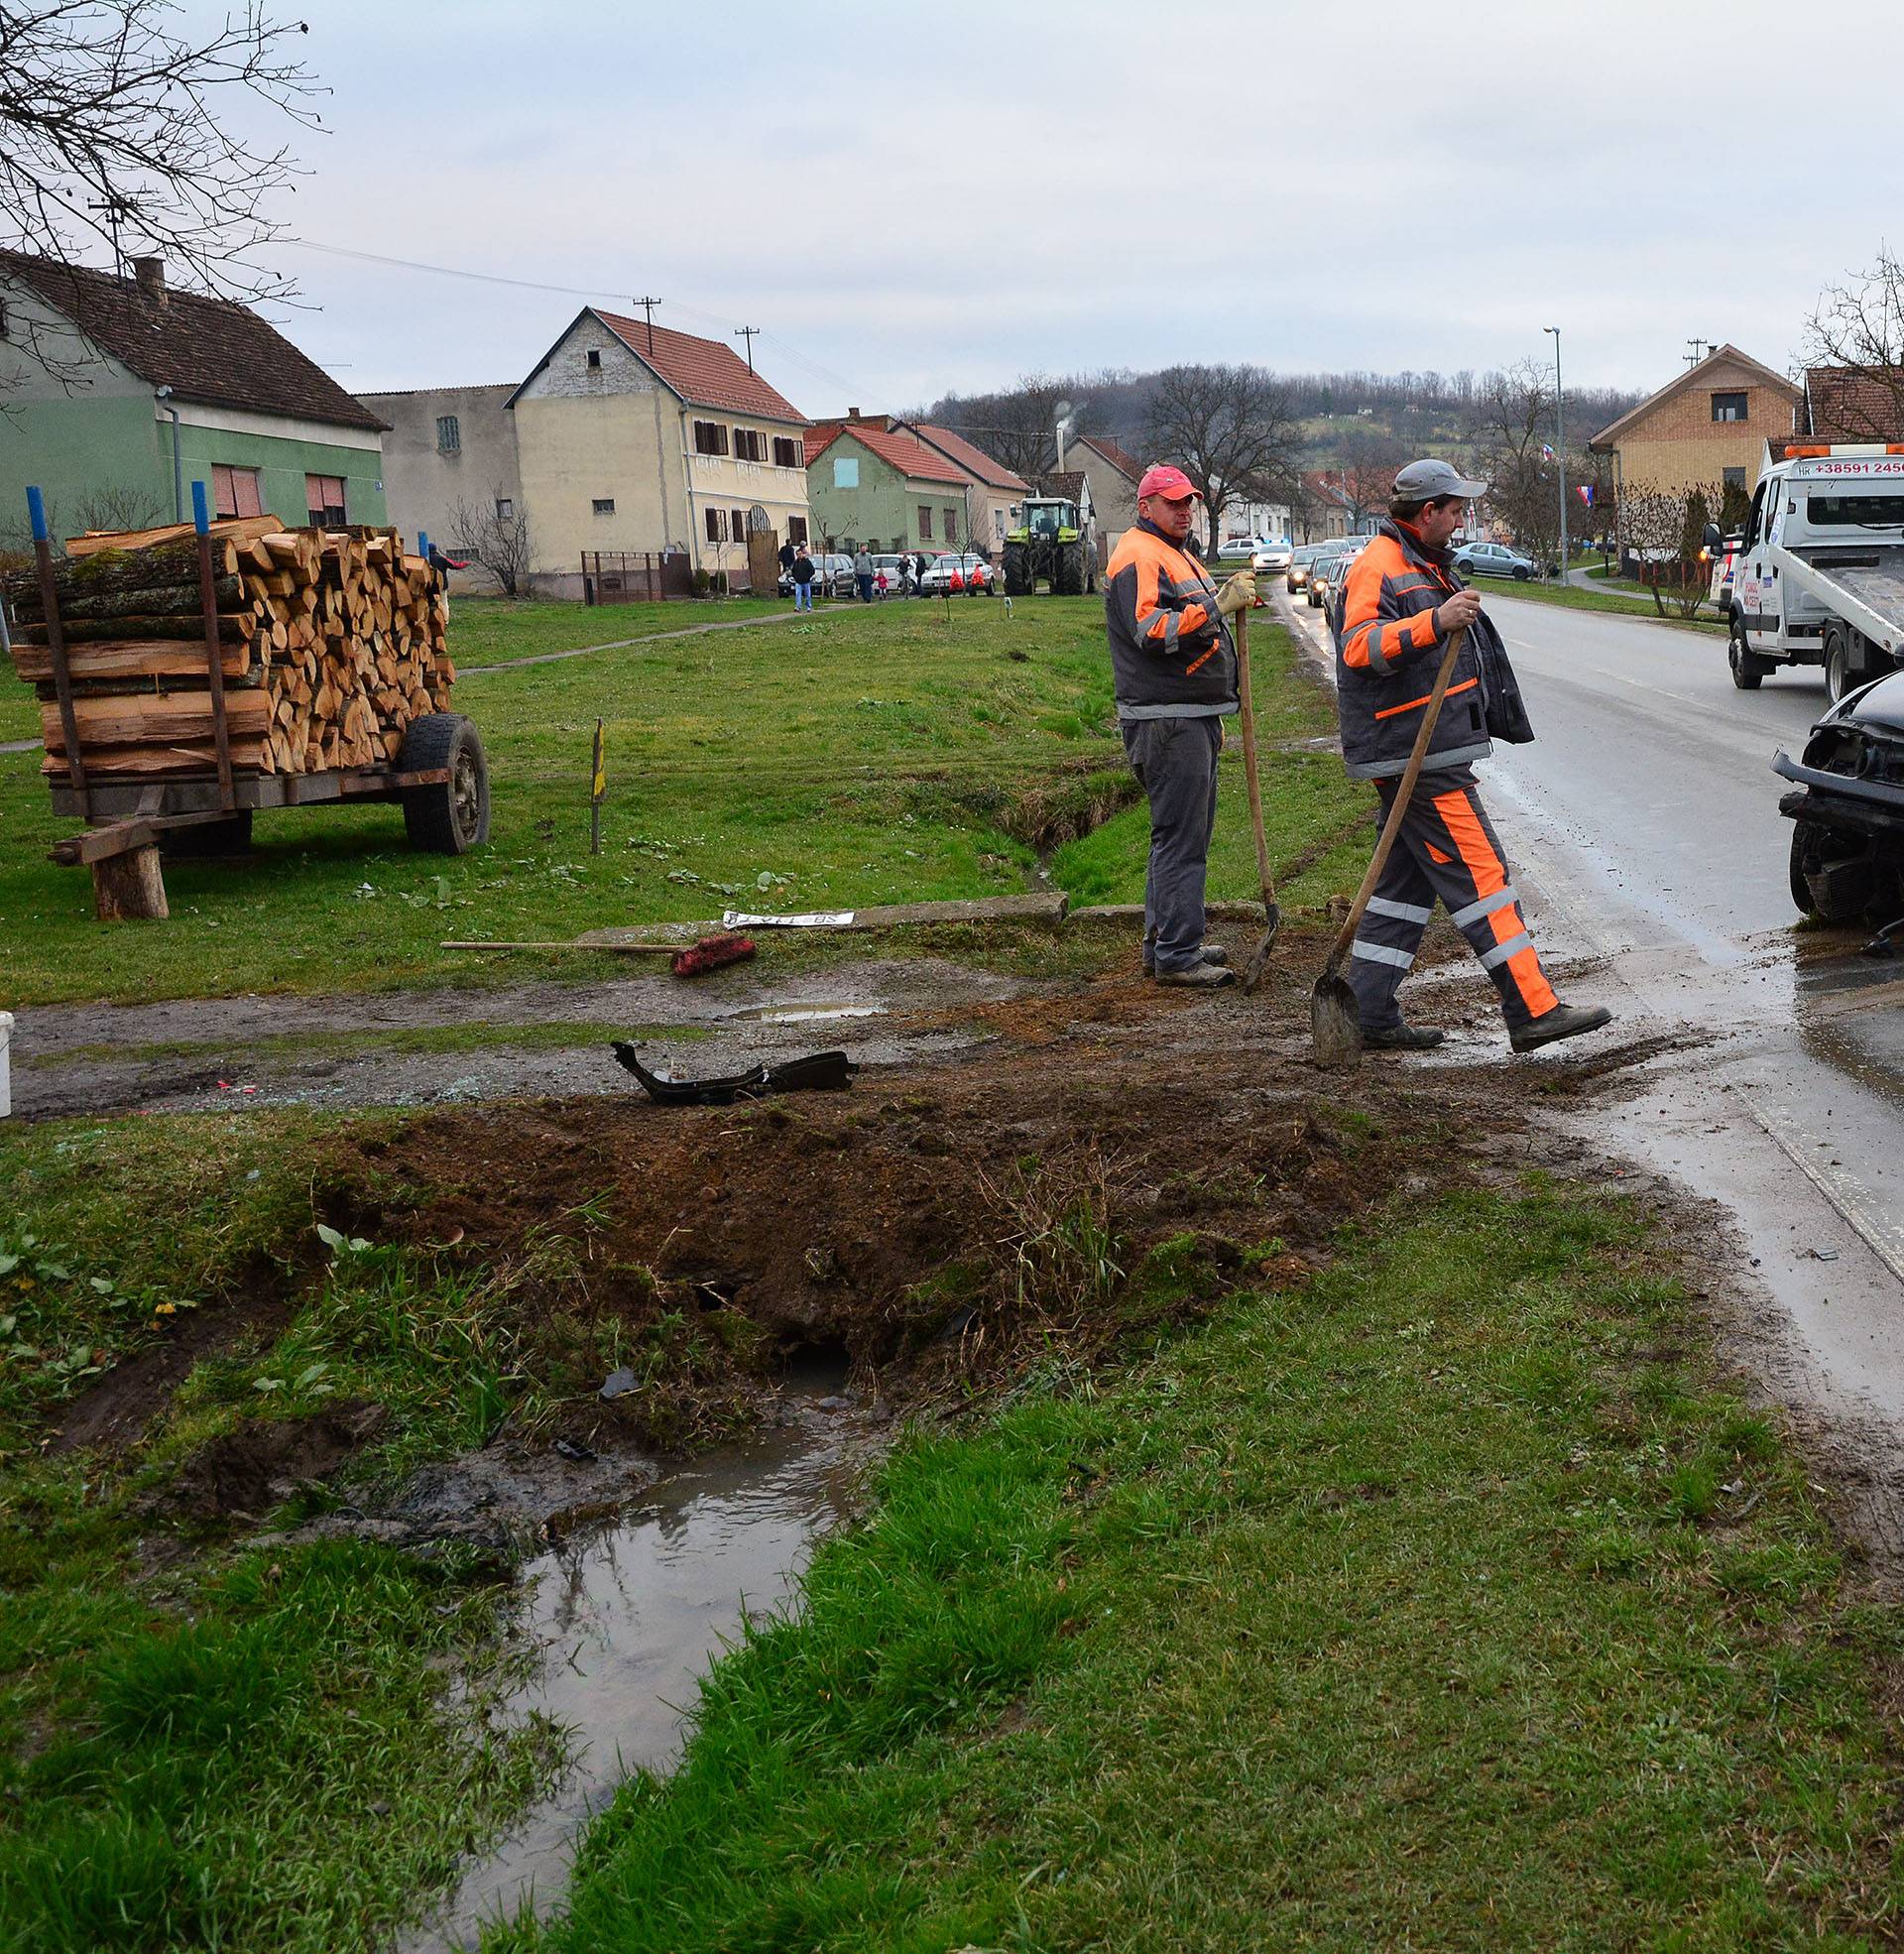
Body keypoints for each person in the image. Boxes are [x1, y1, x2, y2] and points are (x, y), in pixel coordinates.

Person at [1336, 457, 1612, 1053]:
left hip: (1426, 750)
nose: (1462, 522)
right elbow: (1359, 647)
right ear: (1427, 512)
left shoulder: (1422, 563)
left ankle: (1366, 1010)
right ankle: (1532, 1008)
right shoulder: (1378, 568)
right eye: (1456, 511)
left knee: (1403, 889)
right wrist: (1434, 621)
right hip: (1416, 757)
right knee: (1484, 877)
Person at [1104, 463, 1257, 987]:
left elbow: (1199, 615)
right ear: (1145, 507)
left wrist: (1228, 600)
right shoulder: (1140, 555)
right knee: (1181, 840)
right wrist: (1217, 606)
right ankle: (1177, 952)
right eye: (1173, 502)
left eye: (1188, 501)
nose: (1185, 509)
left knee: (1176, 837)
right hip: (1167, 718)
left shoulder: (1175, 552)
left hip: (1188, 713)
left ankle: (1165, 940)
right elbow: (1151, 632)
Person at [790, 543, 816, 612]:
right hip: (798, 582)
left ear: (802, 554)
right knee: (798, 594)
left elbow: (812, 570)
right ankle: (798, 606)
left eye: (800, 554)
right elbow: (793, 571)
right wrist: (795, 577)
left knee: (807, 595)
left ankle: (808, 606)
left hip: (806, 581)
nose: (799, 555)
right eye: (798, 554)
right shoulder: (796, 563)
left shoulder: (807, 562)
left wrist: (808, 577)